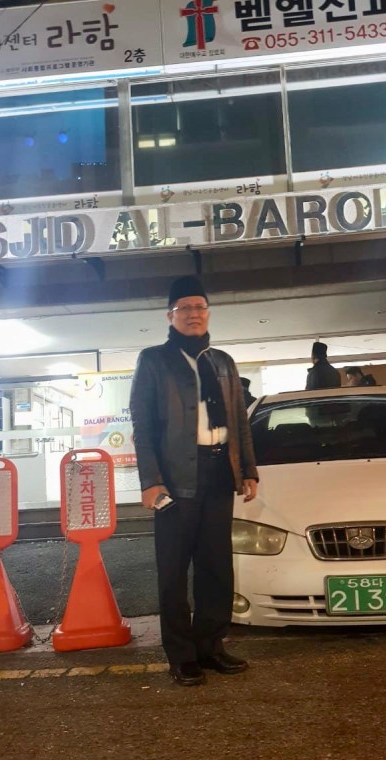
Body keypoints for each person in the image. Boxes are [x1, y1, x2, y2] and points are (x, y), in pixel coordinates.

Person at [130, 275, 259, 687]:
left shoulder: (222, 361)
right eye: (184, 308)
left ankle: (211, 646)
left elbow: (240, 421)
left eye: (199, 307)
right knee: (173, 570)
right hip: (173, 480)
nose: (193, 315)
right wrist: (151, 480)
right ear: (170, 316)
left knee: (216, 567)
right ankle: (181, 654)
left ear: (208, 313)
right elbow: (143, 425)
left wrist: (249, 470)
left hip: (220, 474)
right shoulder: (153, 360)